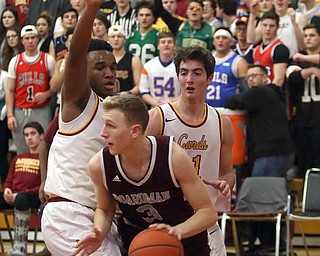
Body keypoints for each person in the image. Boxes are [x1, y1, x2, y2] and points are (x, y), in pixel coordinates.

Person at [73, 94, 217, 256]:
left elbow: (208, 213)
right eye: (103, 124)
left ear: (135, 131)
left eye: (110, 126)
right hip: (137, 241)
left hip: (186, 239)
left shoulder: (172, 156)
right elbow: (105, 209)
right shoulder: (100, 165)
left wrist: (175, 231)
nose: (103, 133)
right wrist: (99, 232)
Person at [41, 0, 121, 254]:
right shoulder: (78, 100)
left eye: (112, 67)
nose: (109, 73)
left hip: (100, 215)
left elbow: (48, 143)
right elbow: (75, 54)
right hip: (69, 212)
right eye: (99, 67)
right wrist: (91, 9)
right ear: (82, 71)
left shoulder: (114, 110)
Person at [145, 45, 235, 256]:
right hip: (166, 223)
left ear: (210, 78)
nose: (189, 79)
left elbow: (227, 172)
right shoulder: (158, 117)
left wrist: (226, 183)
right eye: (184, 73)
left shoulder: (222, 123)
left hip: (204, 222)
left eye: (197, 73)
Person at [224, 64, 295, 254]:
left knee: (260, 200)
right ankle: (271, 242)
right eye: (249, 77)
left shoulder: (260, 93)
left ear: (266, 78)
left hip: (271, 154)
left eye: (255, 76)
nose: (251, 80)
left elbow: (232, 101)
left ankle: (268, 244)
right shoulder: (274, 94)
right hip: (281, 153)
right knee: (269, 198)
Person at [5, 25, 55, 155]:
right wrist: (10, 115)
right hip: (20, 110)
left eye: (33, 37)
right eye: (27, 38)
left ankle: (43, 175)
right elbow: (9, 90)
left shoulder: (48, 60)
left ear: (38, 39)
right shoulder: (15, 61)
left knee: (43, 148)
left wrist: (47, 94)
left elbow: (55, 86)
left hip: (41, 110)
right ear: (22, 40)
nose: (30, 41)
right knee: (22, 149)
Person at [1, 122, 44, 256]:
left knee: (21, 199)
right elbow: (9, 179)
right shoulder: (18, 158)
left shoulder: (44, 159)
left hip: (33, 198)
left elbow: (45, 184)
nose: (29, 137)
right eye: (26, 135)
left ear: (41, 136)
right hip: (14, 196)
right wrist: (7, 189)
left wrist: (20, 194)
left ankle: (20, 247)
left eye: (33, 134)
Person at [287, 23, 320, 177]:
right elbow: (292, 78)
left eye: (312, 35)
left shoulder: (301, 57)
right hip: (302, 119)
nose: (308, 38)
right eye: (305, 36)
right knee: (304, 163)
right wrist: (312, 70)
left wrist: (305, 59)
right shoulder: (297, 59)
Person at [205, 27, 248, 107]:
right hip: (206, 109)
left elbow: (245, 89)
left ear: (231, 42)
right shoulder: (205, 60)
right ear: (214, 42)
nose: (221, 40)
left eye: (224, 38)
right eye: (218, 38)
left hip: (229, 110)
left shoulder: (239, 62)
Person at [140, 31, 180, 108]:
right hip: (155, 108)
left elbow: (185, 93)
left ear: (174, 46)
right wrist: (154, 103)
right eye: (163, 42)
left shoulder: (181, 66)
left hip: (176, 108)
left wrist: (170, 103)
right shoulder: (148, 66)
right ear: (158, 46)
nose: (166, 44)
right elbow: (144, 91)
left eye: (170, 42)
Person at [252, 11, 290, 87]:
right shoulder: (256, 50)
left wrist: (269, 95)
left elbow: (279, 80)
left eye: (272, 26)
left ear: (278, 27)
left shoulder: (280, 49)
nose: (268, 29)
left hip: (273, 94)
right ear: (260, 26)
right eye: (265, 25)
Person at [107, 24, 142, 95]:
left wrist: (128, 93)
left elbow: (140, 86)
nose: (116, 39)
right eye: (113, 36)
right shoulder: (104, 59)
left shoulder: (134, 60)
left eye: (119, 36)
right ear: (108, 39)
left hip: (127, 101)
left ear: (124, 39)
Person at [125, 0, 159, 65]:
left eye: (148, 15)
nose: (144, 18)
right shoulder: (130, 36)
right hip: (133, 73)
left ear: (154, 17)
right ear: (137, 17)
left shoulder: (158, 36)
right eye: (141, 15)